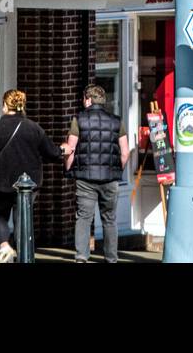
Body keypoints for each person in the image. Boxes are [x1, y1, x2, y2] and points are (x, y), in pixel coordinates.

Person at [0, 88, 64, 263]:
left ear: (5, 105)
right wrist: (62, 150)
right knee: (23, 218)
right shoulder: (33, 128)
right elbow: (51, 152)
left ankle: (4, 246)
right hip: (29, 183)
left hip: (2, 181)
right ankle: (23, 255)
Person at [65, 84, 129, 264]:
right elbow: (125, 153)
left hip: (85, 178)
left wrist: (69, 169)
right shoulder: (117, 121)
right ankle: (111, 258)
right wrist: (117, 170)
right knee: (109, 219)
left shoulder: (79, 120)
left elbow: (70, 149)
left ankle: (81, 257)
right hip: (110, 179)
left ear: (88, 99)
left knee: (84, 218)